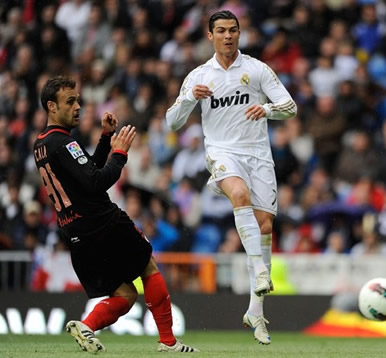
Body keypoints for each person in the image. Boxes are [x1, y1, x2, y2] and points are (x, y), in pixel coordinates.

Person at [33, 76, 198, 353]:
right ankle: (168, 341)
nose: (78, 106)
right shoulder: (64, 143)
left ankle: (86, 325)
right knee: (148, 266)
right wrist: (119, 153)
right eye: (70, 101)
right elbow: (97, 182)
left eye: (78, 100)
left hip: (76, 233)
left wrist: (106, 139)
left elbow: (87, 173)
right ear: (51, 106)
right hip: (103, 221)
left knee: (125, 294)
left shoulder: (42, 144)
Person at [166, 10, 297, 345]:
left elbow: (290, 106)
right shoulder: (199, 75)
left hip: (258, 155)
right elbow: (173, 122)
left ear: (240, 34)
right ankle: (261, 269)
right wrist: (187, 100)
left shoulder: (256, 69)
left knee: (265, 225)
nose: (228, 36)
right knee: (238, 195)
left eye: (233, 30)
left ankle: (256, 310)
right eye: (221, 31)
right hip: (222, 151)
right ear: (210, 36)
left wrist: (267, 109)